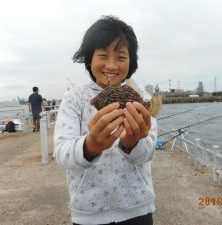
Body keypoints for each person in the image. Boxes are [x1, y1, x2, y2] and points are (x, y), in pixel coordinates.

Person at [54, 16, 157, 225]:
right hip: (87, 214)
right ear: (90, 59)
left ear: (131, 61)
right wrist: (91, 145)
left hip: (137, 209)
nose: (111, 65)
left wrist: (132, 143)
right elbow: (61, 153)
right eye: (102, 55)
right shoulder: (74, 98)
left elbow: (148, 152)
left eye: (121, 57)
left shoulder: (143, 99)